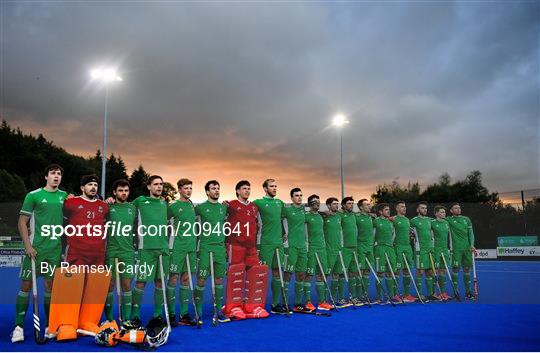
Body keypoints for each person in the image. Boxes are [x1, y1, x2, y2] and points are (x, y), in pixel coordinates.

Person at [11, 164, 67, 343]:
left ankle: (50, 325)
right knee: (26, 286)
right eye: (53, 173)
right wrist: (27, 246)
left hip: (54, 250)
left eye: (59, 174)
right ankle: (18, 327)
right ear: (46, 177)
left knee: (50, 287)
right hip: (35, 250)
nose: (56, 176)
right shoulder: (33, 195)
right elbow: (21, 222)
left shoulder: (64, 196)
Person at [223, 180, 269, 319]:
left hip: (251, 246)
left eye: (249, 188)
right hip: (235, 244)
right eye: (244, 188)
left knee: (255, 274)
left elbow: (257, 225)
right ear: (237, 191)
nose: (247, 191)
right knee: (236, 274)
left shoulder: (254, 207)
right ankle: (232, 307)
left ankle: (252, 307)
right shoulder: (230, 205)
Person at [131, 175, 170, 325]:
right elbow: (124, 208)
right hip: (146, 249)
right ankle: (135, 315)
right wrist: (109, 200)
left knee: (160, 282)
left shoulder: (164, 203)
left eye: (161, 184)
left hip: (163, 249)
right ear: (149, 187)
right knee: (141, 282)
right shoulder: (140, 201)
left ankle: (157, 315)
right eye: (155, 184)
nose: (159, 187)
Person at [194, 180, 230, 323]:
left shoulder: (223, 208)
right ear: (207, 192)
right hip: (205, 248)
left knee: (219, 280)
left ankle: (218, 310)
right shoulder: (201, 208)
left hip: (219, 249)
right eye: (213, 188)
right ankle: (198, 311)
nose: (216, 190)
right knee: (201, 280)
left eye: (218, 188)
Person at [104, 179, 137, 325]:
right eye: (120, 191)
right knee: (109, 285)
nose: (123, 193)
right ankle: (110, 319)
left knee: (126, 285)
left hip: (128, 252)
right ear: (114, 192)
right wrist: (105, 202)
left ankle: (127, 319)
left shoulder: (133, 208)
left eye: (126, 191)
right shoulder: (108, 207)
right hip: (111, 251)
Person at [166, 178, 199, 326]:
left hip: (191, 248)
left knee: (186, 279)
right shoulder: (173, 206)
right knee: (173, 279)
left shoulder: (192, 206)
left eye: (190, 188)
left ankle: (184, 314)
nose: (189, 191)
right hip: (177, 248)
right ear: (179, 190)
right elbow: (162, 222)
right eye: (186, 188)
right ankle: (171, 314)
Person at [253, 179, 287, 315]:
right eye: (271, 186)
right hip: (266, 243)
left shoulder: (280, 203)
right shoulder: (258, 202)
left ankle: (275, 304)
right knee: (262, 274)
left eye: (275, 186)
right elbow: (247, 211)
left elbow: (281, 218)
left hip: (279, 243)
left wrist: (284, 233)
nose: (274, 188)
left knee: (278, 273)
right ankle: (257, 304)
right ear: (265, 189)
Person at [304, 195, 333, 311]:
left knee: (321, 274)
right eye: (315, 202)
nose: (317, 203)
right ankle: (307, 302)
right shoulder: (306, 216)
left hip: (322, 248)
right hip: (312, 248)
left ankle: (322, 302)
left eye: (318, 202)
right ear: (310, 203)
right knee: (309, 275)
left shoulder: (321, 215)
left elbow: (332, 212)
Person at [281, 188, 308, 312]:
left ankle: (298, 303)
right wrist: (283, 232)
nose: (299, 197)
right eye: (297, 195)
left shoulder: (304, 210)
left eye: (301, 195)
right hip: (291, 247)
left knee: (301, 274)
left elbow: (317, 212)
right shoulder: (287, 209)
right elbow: (279, 218)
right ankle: (284, 302)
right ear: (292, 198)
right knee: (288, 274)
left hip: (302, 247)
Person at [447, 203, 476, 300]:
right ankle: (456, 291)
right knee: (455, 269)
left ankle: (468, 292)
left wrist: (472, 244)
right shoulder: (449, 220)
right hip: (456, 250)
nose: (458, 209)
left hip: (467, 249)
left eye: (459, 207)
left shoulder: (466, 219)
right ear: (451, 210)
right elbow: (435, 219)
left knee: (467, 269)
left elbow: (471, 234)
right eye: (456, 208)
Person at [410, 202, 438, 302]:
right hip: (420, 250)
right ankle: (419, 294)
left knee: (430, 272)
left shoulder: (430, 220)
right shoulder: (413, 221)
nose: (425, 210)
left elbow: (441, 219)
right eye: (422, 208)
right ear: (418, 210)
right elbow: (408, 231)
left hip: (430, 249)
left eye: (425, 208)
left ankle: (430, 294)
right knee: (420, 272)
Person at [391, 201, 417, 303]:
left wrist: (412, 235)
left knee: (407, 270)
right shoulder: (393, 219)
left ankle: (406, 294)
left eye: (405, 206)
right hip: (398, 247)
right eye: (402, 207)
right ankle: (395, 294)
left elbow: (410, 233)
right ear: (397, 209)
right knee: (397, 270)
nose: (404, 208)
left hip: (408, 248)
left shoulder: (407, 220)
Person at [373, 203, 399, 304]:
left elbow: (394, 234)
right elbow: (372, 235)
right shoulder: (375, 221)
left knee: (390, 272)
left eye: (389, 210)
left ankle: (391, 296)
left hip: (390, 248)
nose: (388, 211)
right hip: (380, 248)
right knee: (380, 273)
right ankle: (379, 297)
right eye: (386, 210)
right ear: (380, 212)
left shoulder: (391, 222)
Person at [322, 197, 344, 308]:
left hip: (338, 250)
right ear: (329, 206)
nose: (337, 206)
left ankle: (333, 299)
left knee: (336, 275)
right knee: (325, 274)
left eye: (337, 204)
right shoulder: (324, 216)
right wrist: (323, 213)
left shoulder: (339, 216)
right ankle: (324, 300)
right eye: (334, 204)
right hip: (328, 250)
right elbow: (316, 213)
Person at [339, 196, 358, 306]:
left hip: (354, 248)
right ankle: (341, 298)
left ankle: (353, 297)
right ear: (344, 205)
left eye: (352, 203)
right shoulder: (340, 215)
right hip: (344, 248)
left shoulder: (354, 215)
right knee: (341, 273)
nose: (351, 205)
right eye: (349, 203)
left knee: (353, 273)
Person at [355, 199, 375, 304]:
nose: (369, 206)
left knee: (367, 271)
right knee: (360, 271)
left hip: (370, 248)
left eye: (369, 204)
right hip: (360, 247)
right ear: (361, 207)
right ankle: (357, 296)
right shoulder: (356, 217)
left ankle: (365, 295)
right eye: (366, 205)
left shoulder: (372, 217)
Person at [431, 205, 451, 300]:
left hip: (445, 249)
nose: (444, 214)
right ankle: (433, 293)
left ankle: (442, 292)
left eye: (444, 212)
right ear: (436, 213)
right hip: (436, 250)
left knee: (443, 271)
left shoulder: (447, 223)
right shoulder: (432, 223)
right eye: (442, 212)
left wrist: (450, 248)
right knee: (435, 271)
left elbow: (450, 237)